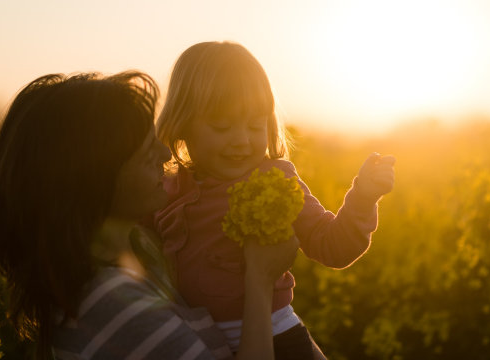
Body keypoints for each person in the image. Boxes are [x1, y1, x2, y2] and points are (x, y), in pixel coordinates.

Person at [0, 71, 299, 360]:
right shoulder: (117, 305)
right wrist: (259, 280)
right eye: (147, 151)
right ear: (96, 175)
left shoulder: (136, 255)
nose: (165, 154)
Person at [151, 41, 396, 358]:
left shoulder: (275, 179)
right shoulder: (165, 189)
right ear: (182, 124)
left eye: (255, 126)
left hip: (281, 339)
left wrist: (363, 197)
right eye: (222, 126)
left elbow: (332, 246)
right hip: (202, 344)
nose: (241, 141)